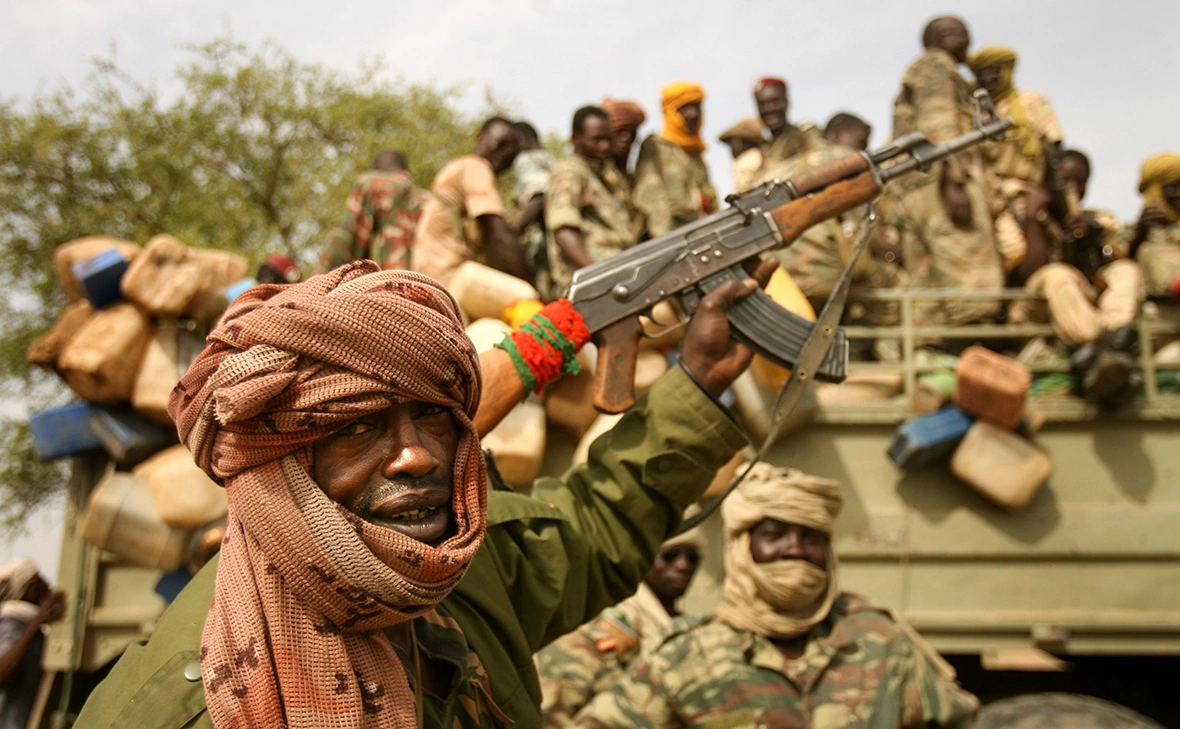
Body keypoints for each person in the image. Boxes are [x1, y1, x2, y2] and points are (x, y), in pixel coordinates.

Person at [73, 258, 767, 728]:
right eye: (361, 428)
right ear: (283, 462)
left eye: (434, 414)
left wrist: (697, 382)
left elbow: (592, 530)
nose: (416, 456)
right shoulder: (189, 702)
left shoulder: (447, 568)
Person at [574, 464, 979, 729]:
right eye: (773, 536)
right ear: (741, 548)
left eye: (811, 537)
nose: (795, 549)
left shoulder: (879, 642)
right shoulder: (688, 655)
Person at [887, 16, 1004, 326]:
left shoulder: (917, 74)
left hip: (917, 188)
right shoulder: (937, 65)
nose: (969, 43)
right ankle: (976, 346)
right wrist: (954, 181)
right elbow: (939, 128)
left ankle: (933, 350)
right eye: (962, 35)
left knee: (929, 284)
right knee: (971, 282)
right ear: (942, 38)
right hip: (942, 184)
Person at [1008, 150, 1144, 404]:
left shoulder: (1098, 220)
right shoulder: (1023, 216)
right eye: (1065, 181)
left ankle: (1114, 343)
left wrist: (1090, 239)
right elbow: (1028, 271)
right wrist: (1033, 219)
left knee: (1126, 271)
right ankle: (1094, 350)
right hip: (1036, 308)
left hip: (1087, 305)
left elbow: (1120, 261)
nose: (1072, 188)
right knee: (1058, 275)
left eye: (1079, 181)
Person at [536, 525, 703, 728]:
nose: (683, 565)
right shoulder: (599, 631)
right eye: (669, 555)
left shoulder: (693, 631)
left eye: (692, 557)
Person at [968, 46, 1066, 279]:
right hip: (983, 194)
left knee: (1028, 252)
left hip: (1025, 191)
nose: (988, 78)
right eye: (981, 73)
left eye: (994, 71)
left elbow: (1053, 145)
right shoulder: (970, 110)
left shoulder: (1030, 102)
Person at [412, 117, 532, 284]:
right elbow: (501, 236)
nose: (505, 152)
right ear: (481, 139)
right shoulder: (476, 167)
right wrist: (533, 286)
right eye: (500, 143)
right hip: (449, 278)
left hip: (429, 277)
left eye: (512, 150)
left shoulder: (458, 166)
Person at [545, 105, 637, 297]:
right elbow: (564, 231)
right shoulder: (570, 173)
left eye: (608, 140)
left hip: (618, 273)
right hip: (589, 283)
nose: (604, 146)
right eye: (596, 140)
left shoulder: (608, 175)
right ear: (576, 138)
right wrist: (597, 276)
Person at [633, 82, 718, 239]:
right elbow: (650, 202)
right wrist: (668, 244)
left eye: (696, 107)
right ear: (670, 111)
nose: (692, 114)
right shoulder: (656, 147)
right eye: (684, 108)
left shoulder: (697, 155)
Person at [321, 149, 425, 272]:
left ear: (377, 170)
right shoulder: (425, 200)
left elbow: (346, 239)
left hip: (396, 283)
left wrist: (319, 278)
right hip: (431, 284)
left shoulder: (371, 184)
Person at [0, 559, 64, 729]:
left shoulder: (32, 627)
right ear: (31, 588)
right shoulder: (12, 622)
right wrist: (35, 625)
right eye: (39, 578)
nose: (47, 583)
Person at [511, 120, 559, 292]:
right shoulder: (552, 160)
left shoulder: (526, 160)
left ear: (522, 139)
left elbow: (538, 197)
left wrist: (513, 233)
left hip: (546, 253)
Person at [1130, 153, 1180, 300]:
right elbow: (1121, 261)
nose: (1179, 194)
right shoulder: (1136, 232)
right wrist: (1140, 232)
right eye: (1172, 187)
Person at [751, 77, 824, 177]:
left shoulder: (805, 136)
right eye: (763, 104)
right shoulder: (761, 152)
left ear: (786, 102)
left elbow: (821, 160)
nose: (770, 109)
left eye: (775, 102)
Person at [598, 98, 646, 179]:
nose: (626, 138)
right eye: (619, 132)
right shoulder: (593, 176)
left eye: (632, 133)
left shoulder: (635, 179)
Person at [717, 117, 766, 193]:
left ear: (740, 142)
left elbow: (742, 192)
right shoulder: (764, 156)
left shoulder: (744, 162)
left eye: (731, 143)